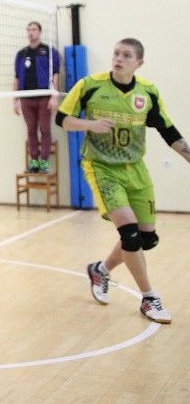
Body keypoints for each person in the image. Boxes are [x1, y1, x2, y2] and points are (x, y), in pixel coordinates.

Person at [57, 38, 190, 324]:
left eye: (126, 55)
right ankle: (149, 297)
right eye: (116, 53)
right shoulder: (90, 85)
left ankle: (101, 270)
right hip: (102, 167)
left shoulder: (147, 92)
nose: (118, 58)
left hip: (135, 169)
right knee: (129, 233)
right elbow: (62, 118)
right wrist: (89, 124)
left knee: (146, 238)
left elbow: (168, 131)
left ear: (138, 63)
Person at [13, 21, 61, 172]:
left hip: (44, 96)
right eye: (28, 30)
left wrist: (54, 96)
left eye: (33, 29)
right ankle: (34, 161)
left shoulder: (49, 51)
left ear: (39, 32)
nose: (30, 32)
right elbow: (16, 78)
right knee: (31, 129)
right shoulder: (21, 54)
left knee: (45, 128)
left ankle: (44, 161)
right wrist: (15, 99)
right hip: (26, 97)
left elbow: (55, 74)